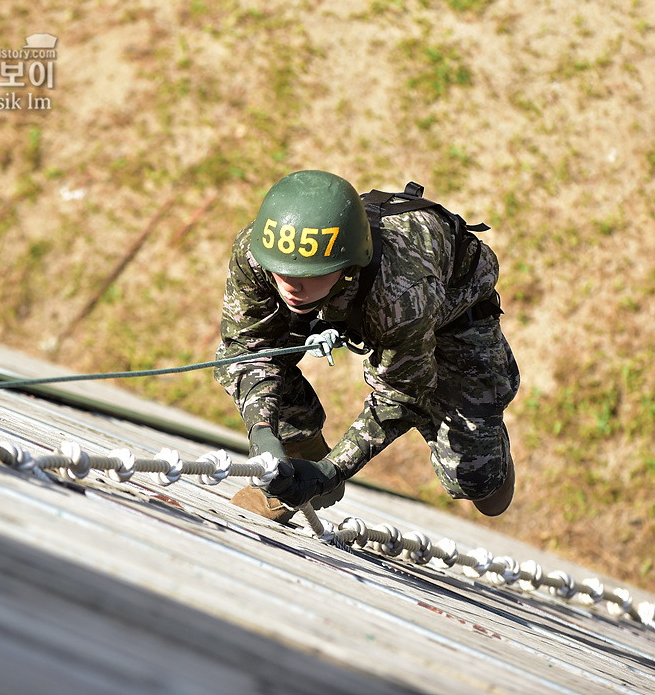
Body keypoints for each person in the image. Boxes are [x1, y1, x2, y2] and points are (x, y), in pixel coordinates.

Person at [215, 170, 519, 524]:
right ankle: (292, 468)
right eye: (279, 272)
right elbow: (248, 351)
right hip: (345, 298)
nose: (290, 285)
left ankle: (487, 442)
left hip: (449, 316)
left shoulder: (402, 293)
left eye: (308, 274)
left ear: (347, 265)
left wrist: (332, 470)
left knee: (480, 486)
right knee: (251, 359)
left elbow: (401, 397)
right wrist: (263, 434)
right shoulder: (261, 250)